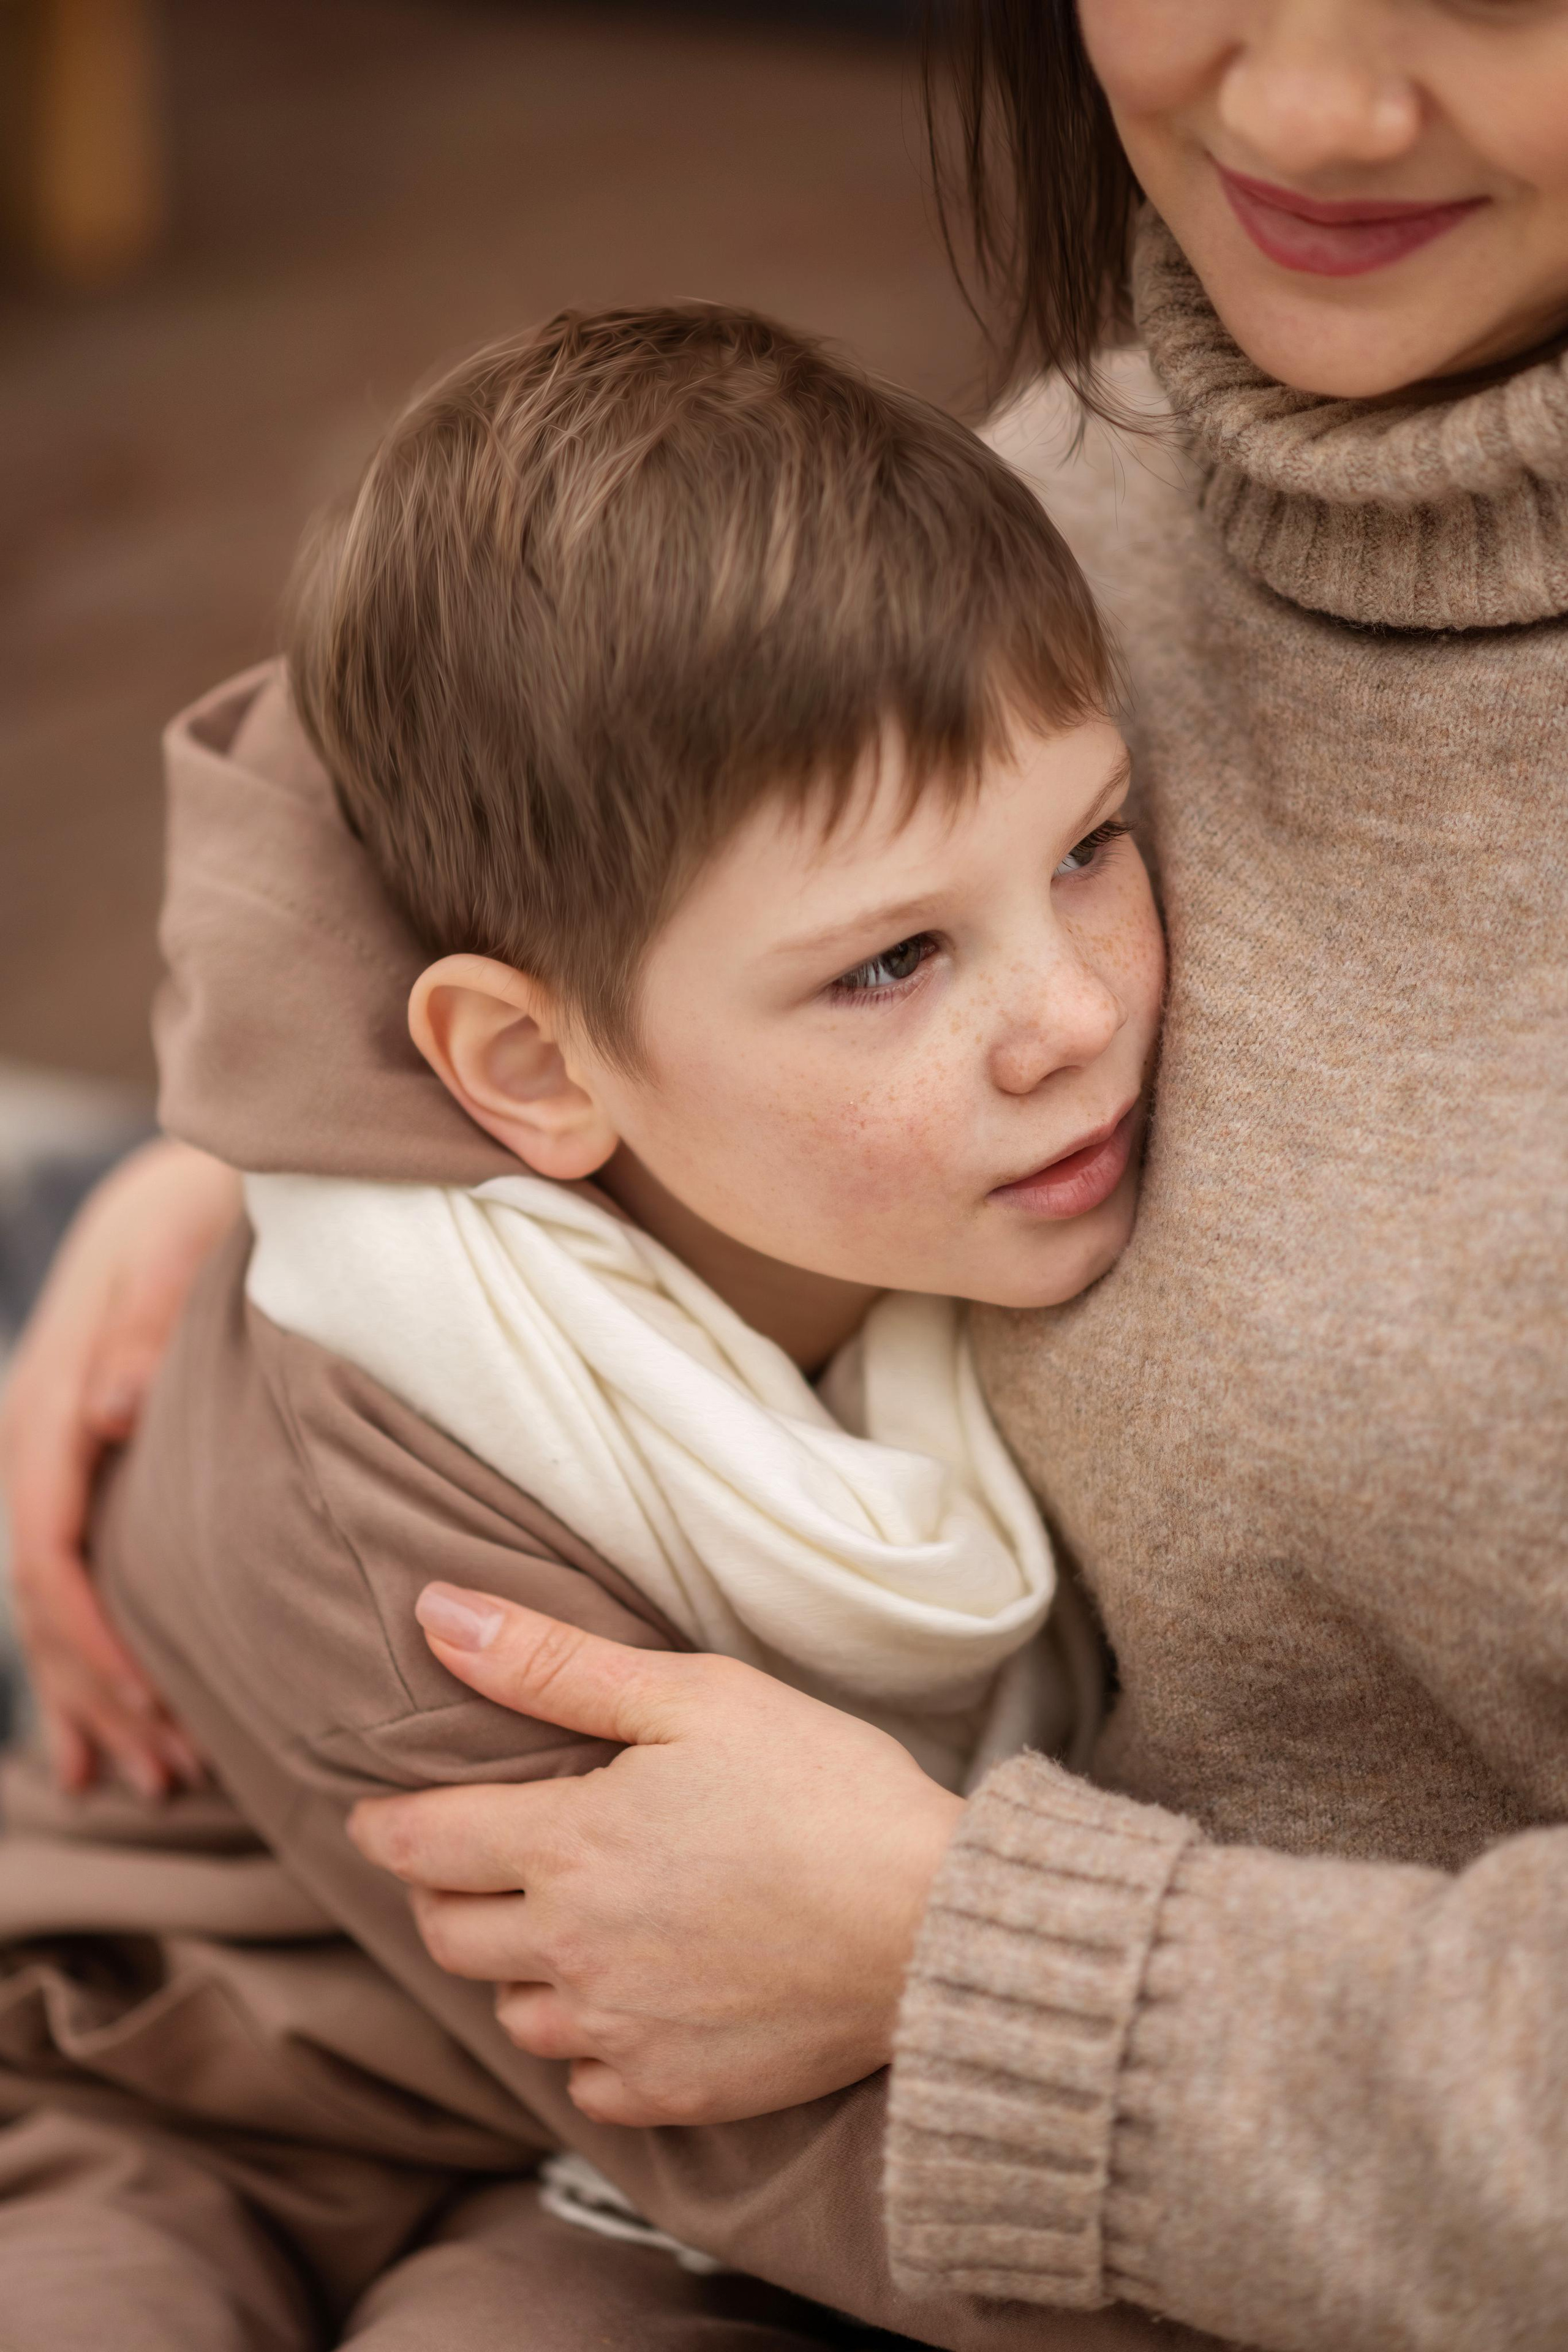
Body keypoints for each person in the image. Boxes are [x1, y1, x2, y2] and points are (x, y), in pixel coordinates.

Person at [3, 0, 1566, 2345]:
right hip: (305, 2034)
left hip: (1034, 2149)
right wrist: (268, 1140)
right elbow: (422, 716)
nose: (1311, 107)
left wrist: (983, 1967)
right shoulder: (1117, 434)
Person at [0, 306, 1198, 2352]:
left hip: (610, 2171)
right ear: (533, 1071)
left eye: (1088, 847)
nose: (1075, 1016)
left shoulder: (843, 1131)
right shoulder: (397, 1516)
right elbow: (725, 2108)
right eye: (896, 959)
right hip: (215, 2073)